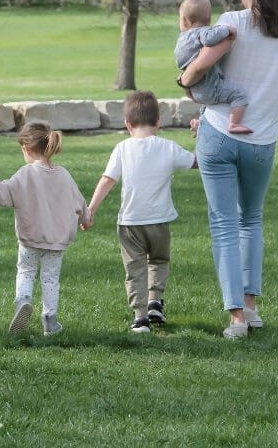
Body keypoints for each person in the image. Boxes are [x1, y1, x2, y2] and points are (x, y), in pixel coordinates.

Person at [178, 0, 278, 339]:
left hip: (218, 134)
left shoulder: (231, 22)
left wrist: (184, 79)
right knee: (252, 220)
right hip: (262, 140)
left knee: (224, 224)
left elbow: (199, 66)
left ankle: (235, 319)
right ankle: (251, 308)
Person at [84, 91, 196, 333]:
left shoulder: (123, 148)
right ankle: (156, 301)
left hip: (130, 222)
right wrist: (203, 134)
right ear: (158, 122)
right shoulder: (168, 147)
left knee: (134, 269)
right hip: (160, 221)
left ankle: (140, 317)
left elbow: (107, 180)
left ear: (127, 124)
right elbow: (196, 161)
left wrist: (91, 209)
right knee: (159, 260)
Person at [0, 122, 89, 337]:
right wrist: (86, 218)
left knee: (25, 272)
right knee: (50, 279)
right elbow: (78, 200)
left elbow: (6, 190)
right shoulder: (63, 174)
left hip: (30, 239)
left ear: (26, 148)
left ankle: (23, 301)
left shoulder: (26, 174)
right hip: (56, 241)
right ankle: (50, 321)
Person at [174, 0, 251, 134]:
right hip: (209, 87)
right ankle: (233, 123)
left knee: (208, 103)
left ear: (184, 21)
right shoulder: (203, 32)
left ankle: (200, 124)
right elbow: (210, 38)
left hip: (194, 90)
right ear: (209, 21)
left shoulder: (183, 38)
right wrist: (227, 29)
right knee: (240, 95)